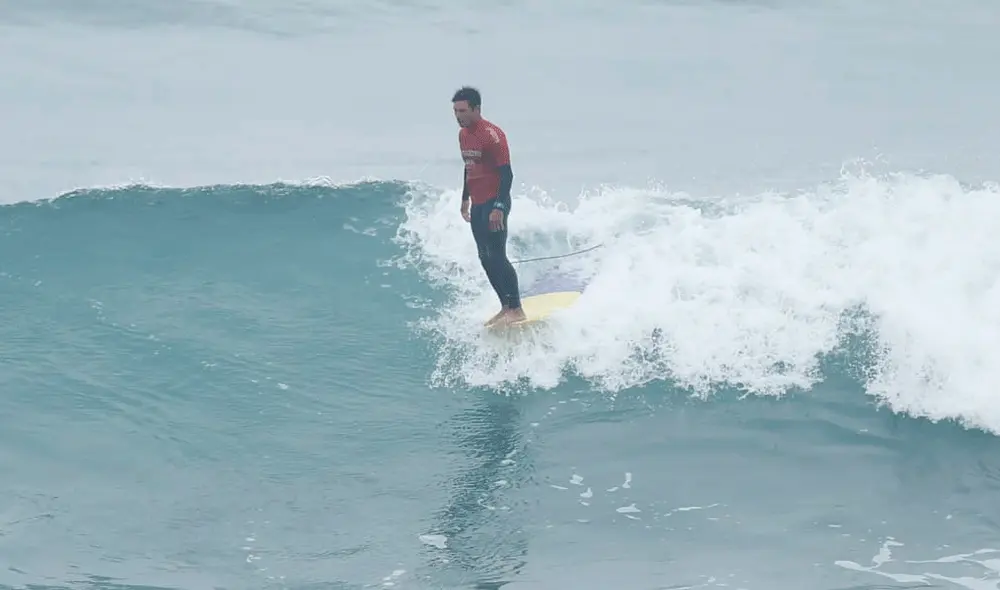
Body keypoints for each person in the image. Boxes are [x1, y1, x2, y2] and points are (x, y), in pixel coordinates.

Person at [452, 86, 525, 327]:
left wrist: (499, 207)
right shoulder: (463, 135)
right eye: (455, 111)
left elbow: (507, 174)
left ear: (476, 109)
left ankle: (516, 307)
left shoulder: (492, 135)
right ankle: (504, 306)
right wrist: (465, 198)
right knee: (484, 257)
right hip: (478, 204)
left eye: (462, 110)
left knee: (497, 255)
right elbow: (469, 167)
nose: (458, 115)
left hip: (495, 202)